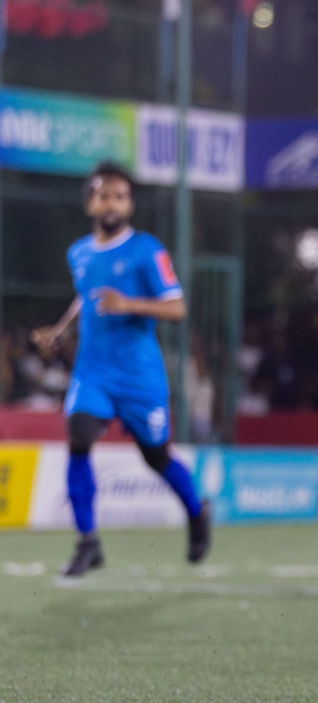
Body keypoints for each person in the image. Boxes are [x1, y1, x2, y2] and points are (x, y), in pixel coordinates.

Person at [31, 162, 210, 578]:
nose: (111, 202)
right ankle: (88, 543)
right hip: (92, 372)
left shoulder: (147, 250)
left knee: (156, 457)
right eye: (103, 194)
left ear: (129, 204)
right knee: (78, 436)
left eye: (120, 196)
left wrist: (129, 304)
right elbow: (85, 296)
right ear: (89, 202)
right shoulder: (78, 252)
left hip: (139, 378)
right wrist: (59, 331)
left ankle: (196, 512)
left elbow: (177, 307)